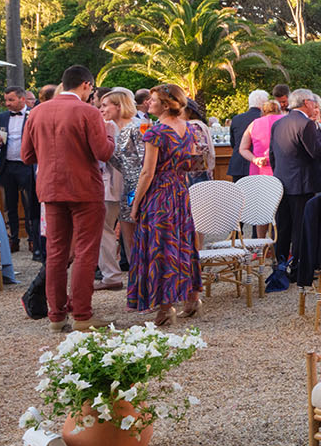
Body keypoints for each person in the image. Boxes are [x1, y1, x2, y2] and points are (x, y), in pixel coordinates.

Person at [21, 65, 117, 331]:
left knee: (55, 252)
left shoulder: (37, 111)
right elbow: (103, 152)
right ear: (86, 85)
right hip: (84, 188)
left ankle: (56, 316)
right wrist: (110, 135)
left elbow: (27, 156)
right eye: (92, 89)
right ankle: (82, 315)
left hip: (50, 188)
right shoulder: (88, 111)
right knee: (86, 251)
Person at [128, 84, 203, 325]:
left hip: (159, 194)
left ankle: (165, 307)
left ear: (165, 105)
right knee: (182, 243)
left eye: (153, 100)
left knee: (160, 246)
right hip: (180, 191)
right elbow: (192, 163)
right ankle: (192, 299)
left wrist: (136, 203)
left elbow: (147, 172)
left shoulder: (156, 132)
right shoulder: (189, 128)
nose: (148, 103)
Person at [269, 90, 321, 281]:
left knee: (283, 227)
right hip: (302, 183)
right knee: (300, 227)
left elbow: (272, 154)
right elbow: (315, 151)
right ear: (306, 102)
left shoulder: (279, 123)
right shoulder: (306, 124)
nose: (315, 106)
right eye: (313, 102)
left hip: (282, 181)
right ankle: (298, 269)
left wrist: (278, 174)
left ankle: (280, 266)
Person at [0, 86, 42, 261]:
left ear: (22, 99)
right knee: (10, 205)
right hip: (8, 165)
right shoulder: (2, 117)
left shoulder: (33, 114)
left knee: (30, 205)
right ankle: (13, 239)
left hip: (26, 166)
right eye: (6, 100)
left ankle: (33, 240)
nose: (7, 103)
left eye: (11, 100)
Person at [99, 88, 141, 286]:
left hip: (136, 190)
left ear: (118, 106)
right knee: (128, 239)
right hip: (126, 190)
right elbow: (121, 164)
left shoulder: (135, 128)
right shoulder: (114, 128)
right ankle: (137, 284)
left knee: (137, 237)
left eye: (105, 105)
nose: (101, 109)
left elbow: (142, 165)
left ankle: (144, 283)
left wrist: (136, 197)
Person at [226, 89, 268, 180]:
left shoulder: (236, 119)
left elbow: (233, 143)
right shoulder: (265, 120)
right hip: (259, 164)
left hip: (238, 165)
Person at [237, 97, 284, 178]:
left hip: (260, 168)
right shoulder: (285, 120)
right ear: (279, 110)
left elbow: (243, 149)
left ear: (263, 112)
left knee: (259, 186)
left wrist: (255, 159)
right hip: (282, 167)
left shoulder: (253, 124)